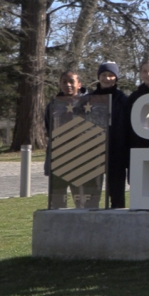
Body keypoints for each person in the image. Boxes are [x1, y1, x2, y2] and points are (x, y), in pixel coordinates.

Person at [44, 71, 102, 208]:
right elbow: (50, 129)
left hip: (83, 160)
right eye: (64, 82)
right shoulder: (53, 105)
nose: (68, 85)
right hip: (59, 159)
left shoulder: (89, 104)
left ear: (79, 84)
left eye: (71, 82)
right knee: (57, 203)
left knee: (83, 203)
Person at [92, 62, 131, 208]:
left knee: (117, 194)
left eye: (110, 75)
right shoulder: (89, 98)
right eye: (104, 75)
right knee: (91, 194)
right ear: (99, 77)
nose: (107, 78)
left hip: (117, 152)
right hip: (94, 152)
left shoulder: (123, 100)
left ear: (116, 78)